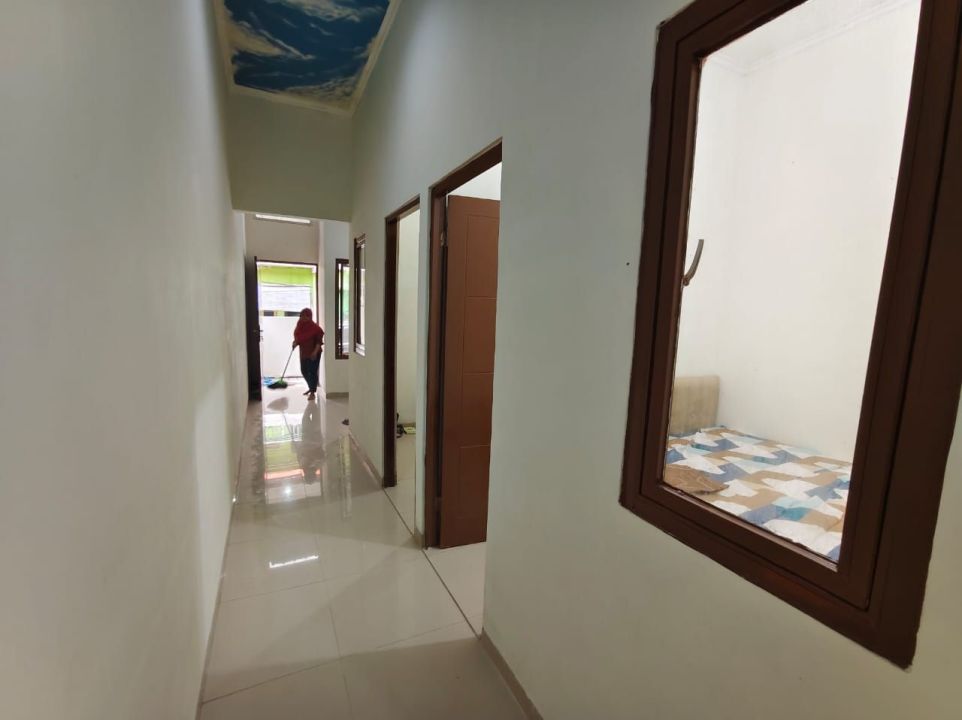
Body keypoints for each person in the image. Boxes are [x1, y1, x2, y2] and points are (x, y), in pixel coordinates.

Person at [292, 308, 324, 399]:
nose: (303, 318)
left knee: (312, 372)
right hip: (304, 352)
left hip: (314, 352)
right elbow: (298, 338)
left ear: (310, 317)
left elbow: (319, 342)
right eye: (302, 316)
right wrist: (295, 343)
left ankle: (312, 392)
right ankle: (311, 387)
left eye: (306, 316)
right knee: (304, 370)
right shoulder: (300, 326)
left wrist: (314, 352)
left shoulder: (316, 328)